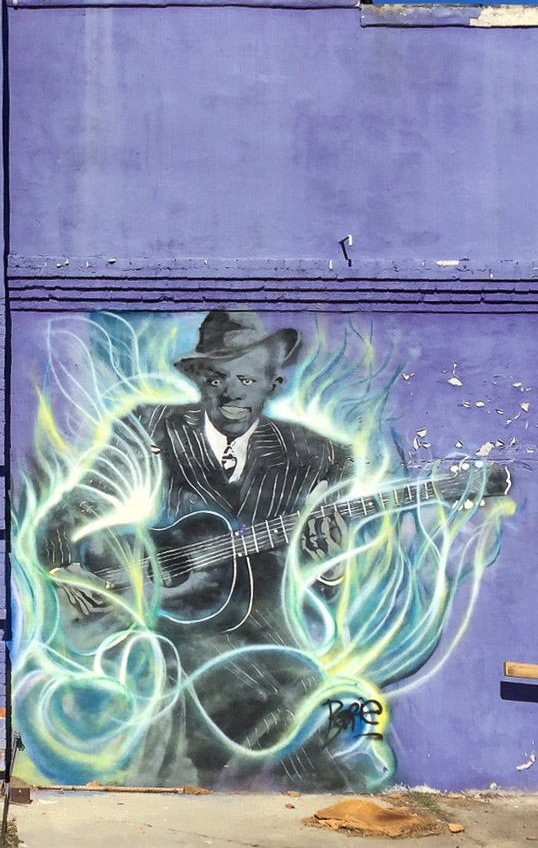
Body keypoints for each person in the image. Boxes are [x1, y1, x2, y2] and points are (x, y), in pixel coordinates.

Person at [44, 310, 358, 788]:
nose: (231, 391)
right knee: (188, 686)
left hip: (266, 626)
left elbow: (325, 568)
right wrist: (65, 565)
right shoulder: (152, 426)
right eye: (216, 377)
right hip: (172, 618)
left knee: (301, 707)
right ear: (197, 380)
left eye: (247, 378)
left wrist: (328, 567)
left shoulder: (319, 455)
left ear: (273, 385)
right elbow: (82, 500)